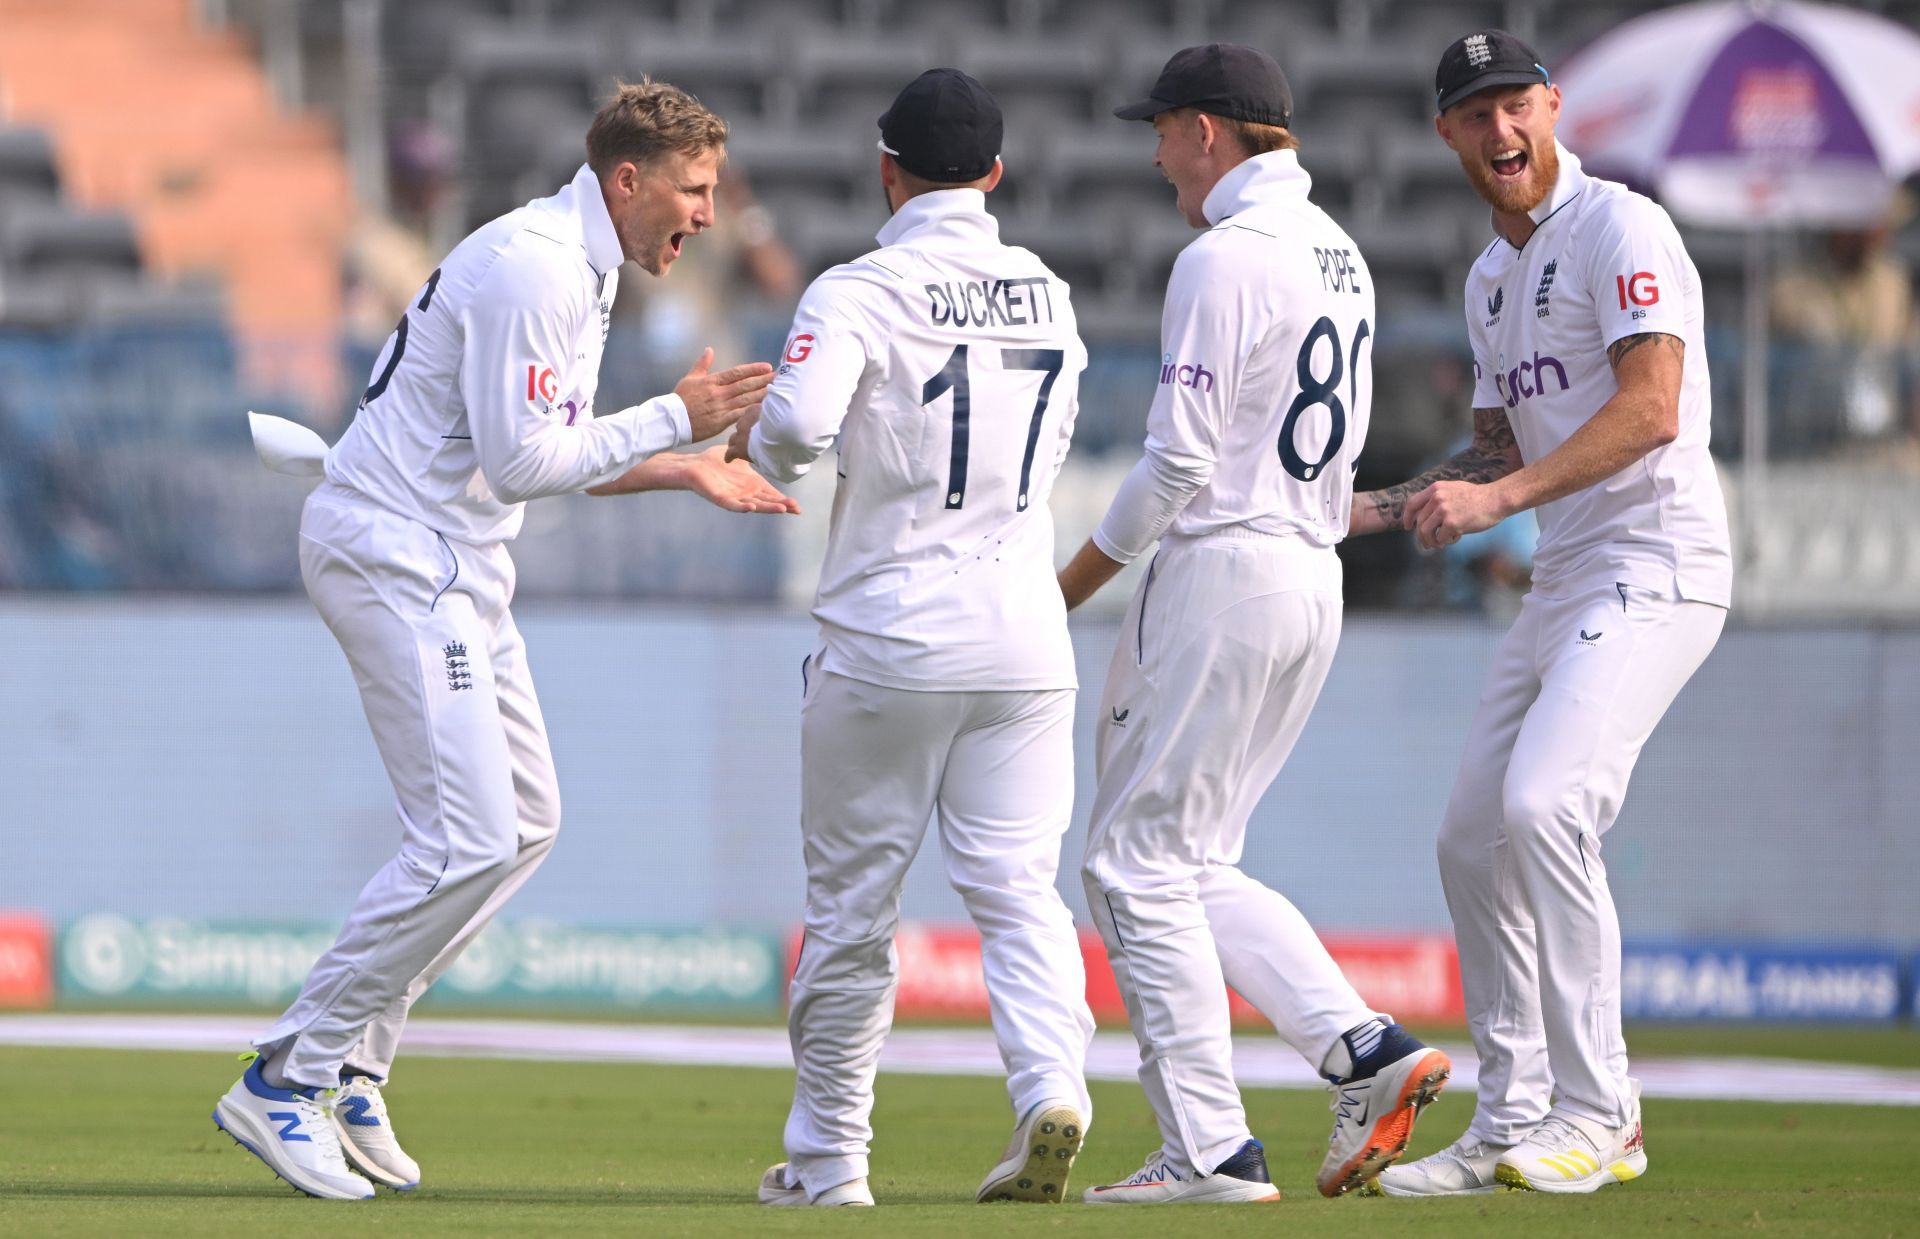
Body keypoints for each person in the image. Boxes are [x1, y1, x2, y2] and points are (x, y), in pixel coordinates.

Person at [214, 80, 796, 1201]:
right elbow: (529, 461)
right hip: (396, 549)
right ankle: (288, 1072)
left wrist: (672, 463)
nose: (710, 215)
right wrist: (677, 416)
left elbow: (524, 448)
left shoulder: (575, 262)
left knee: (524, 821)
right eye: (695, 189)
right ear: (629, 181)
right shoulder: (537, 267)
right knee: (466, 834)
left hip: (454, 557)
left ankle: (351, 1066)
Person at [1055, 44, 1451, 1205]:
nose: (1161, 154)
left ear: (1211, 132)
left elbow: (1179, 457)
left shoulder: (1223, 256)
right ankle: (1363, 1051)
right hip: (1306, 571)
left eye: (1166, 130)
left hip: (1224, 570)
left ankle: (1211, 1151)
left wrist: (1073, 581)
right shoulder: (1340, 252)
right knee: (1192, 860)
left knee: (1129, 867)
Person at [1356, 31, 1731, 1197]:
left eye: (1515, 104)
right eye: (1474, 114)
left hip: (1659, 558)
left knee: (1545, 803)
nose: (1500, 130)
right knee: (1470, 838)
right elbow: (1490, 453)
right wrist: (1355, 510)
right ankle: (1511, 1118)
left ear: (1553, 105)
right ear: (1448, 136)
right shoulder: (1489, 279)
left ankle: (1602, 1111)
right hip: (1571, 573)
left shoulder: (1623, 227)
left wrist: (1500, 499)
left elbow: (1653, 408)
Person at [729, 68, 1096, 1209]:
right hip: (1028, 635)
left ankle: (832, 1163)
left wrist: (775, 454)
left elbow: (792, 427)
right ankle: (1052, 1086)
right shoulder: (1047, 289)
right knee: (1022, 890)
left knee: (851, 912)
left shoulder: (861, 287)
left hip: (891, 632)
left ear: (887, 171)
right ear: (993, 173)